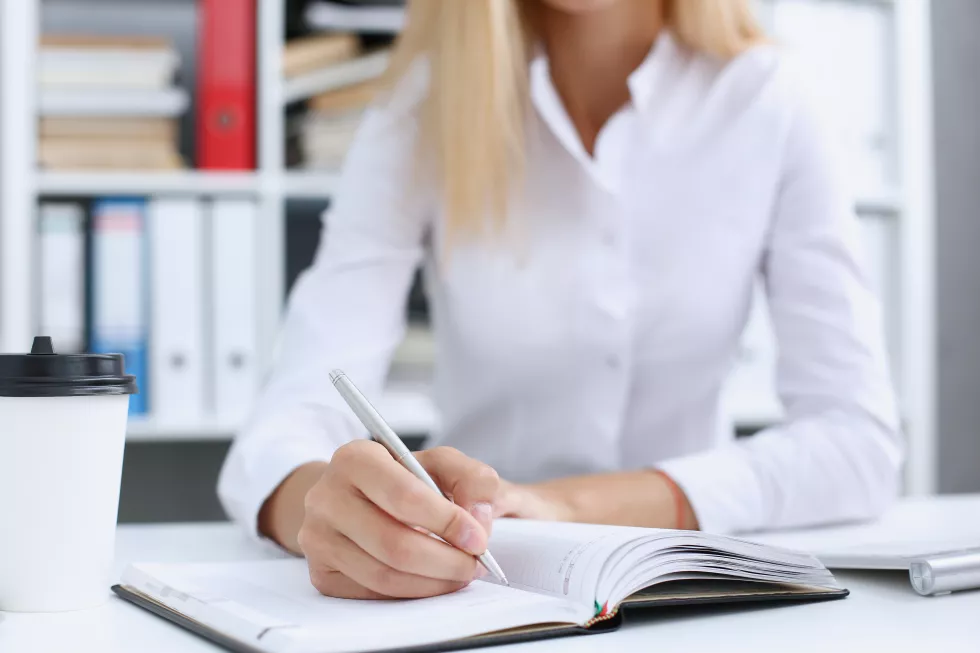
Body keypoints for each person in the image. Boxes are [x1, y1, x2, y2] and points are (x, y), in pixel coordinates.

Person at [218, 0, 903, 600]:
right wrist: (331, 510)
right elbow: (283, 429)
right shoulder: (424, 104)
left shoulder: (768, 99)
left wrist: (563, 505)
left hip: (693, 588)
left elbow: (857, 441)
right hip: (476, 584)